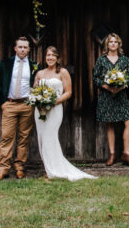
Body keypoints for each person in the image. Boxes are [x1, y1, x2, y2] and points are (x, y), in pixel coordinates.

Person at [33, 46, 96, 181]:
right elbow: (35, 91)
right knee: (42, 138)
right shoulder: (40, 73)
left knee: (50, 137)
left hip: (55, 109)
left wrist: (52, 102)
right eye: (48, 55)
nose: (50, 58)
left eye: (52, 55)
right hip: (40, 111)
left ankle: (54, 170)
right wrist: (39, 100)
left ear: (57, 58)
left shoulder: (63, 72)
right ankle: (48, 168)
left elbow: (68, 92)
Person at [0, 36, 38, 180]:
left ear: (29, 49)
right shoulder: (6, 63)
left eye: (25, 47)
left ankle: (20, 167)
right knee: (7, 137)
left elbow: (38, 85)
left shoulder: (34, 65)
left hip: (26, 105)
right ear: (15, 48)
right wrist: (2, 103)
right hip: (10, 104)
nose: (22, 49)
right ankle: (3, 169)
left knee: (24, 138)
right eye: (20, 47)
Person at [92, 32, 129, 166]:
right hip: (106, 96)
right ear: (107, 44)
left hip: (121, 95)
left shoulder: (125, 60)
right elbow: (96, 78)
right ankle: (112, 155)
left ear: (119, 44)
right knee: (110, 123)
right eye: (111, 42)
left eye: (115, 42)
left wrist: (120, 87)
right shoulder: (101, 60)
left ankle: (126, 154)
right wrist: (107, 87)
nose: (113, 44)